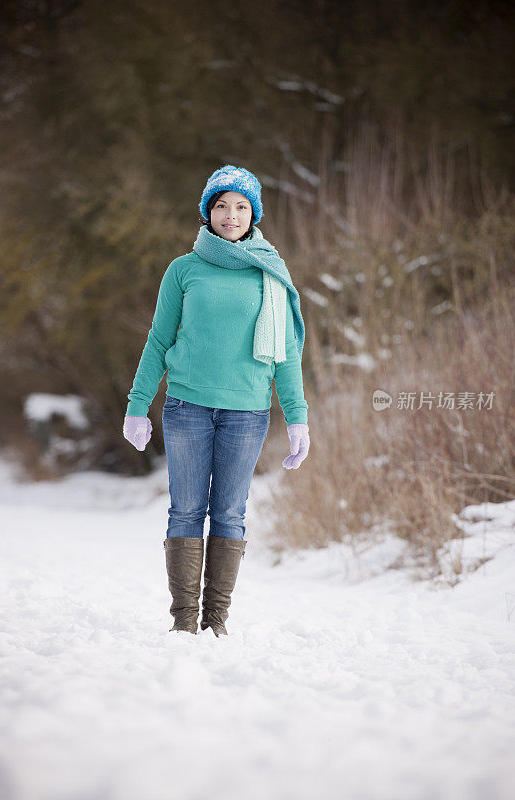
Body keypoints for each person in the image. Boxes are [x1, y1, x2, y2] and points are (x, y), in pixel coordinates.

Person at [123, 165, 310, 637]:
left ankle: (216, 622)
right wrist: (137, 403)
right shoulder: (183, 270)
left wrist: (297, 419)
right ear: (208, 213)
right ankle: (185, 623)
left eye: (241, 206)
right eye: (221, 205)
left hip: (248, 412)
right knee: (185, 510)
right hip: (187, 408)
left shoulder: (270, 273)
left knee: (229, 512)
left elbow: (286, 355)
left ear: (254, 214)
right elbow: (159, 339)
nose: (231, 215)